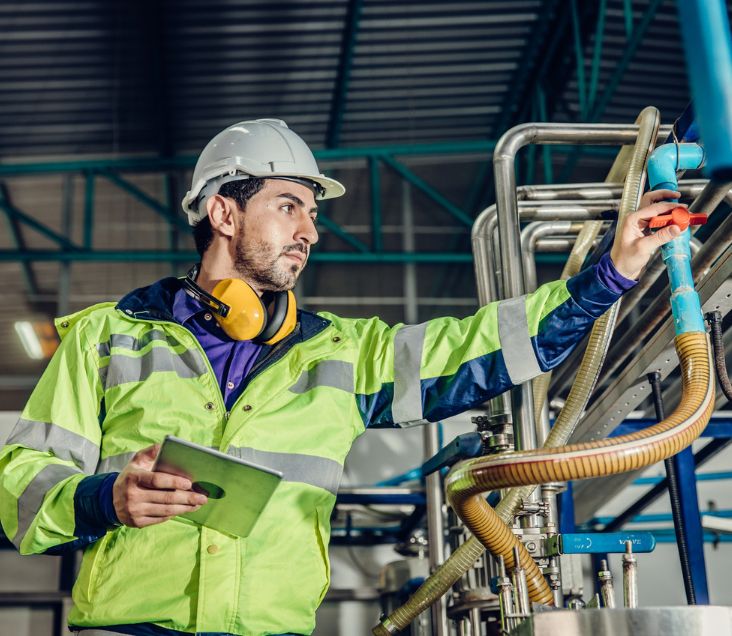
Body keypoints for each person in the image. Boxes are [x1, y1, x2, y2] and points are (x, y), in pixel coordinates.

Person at [0, 119, 683, 636]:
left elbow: (481, 349)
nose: (311, 231)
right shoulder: (106, 336)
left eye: (314, 213)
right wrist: (101, 499)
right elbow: (22, 483)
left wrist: (610, 274)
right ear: (224, 212)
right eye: (289, 205)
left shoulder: (344, 353)